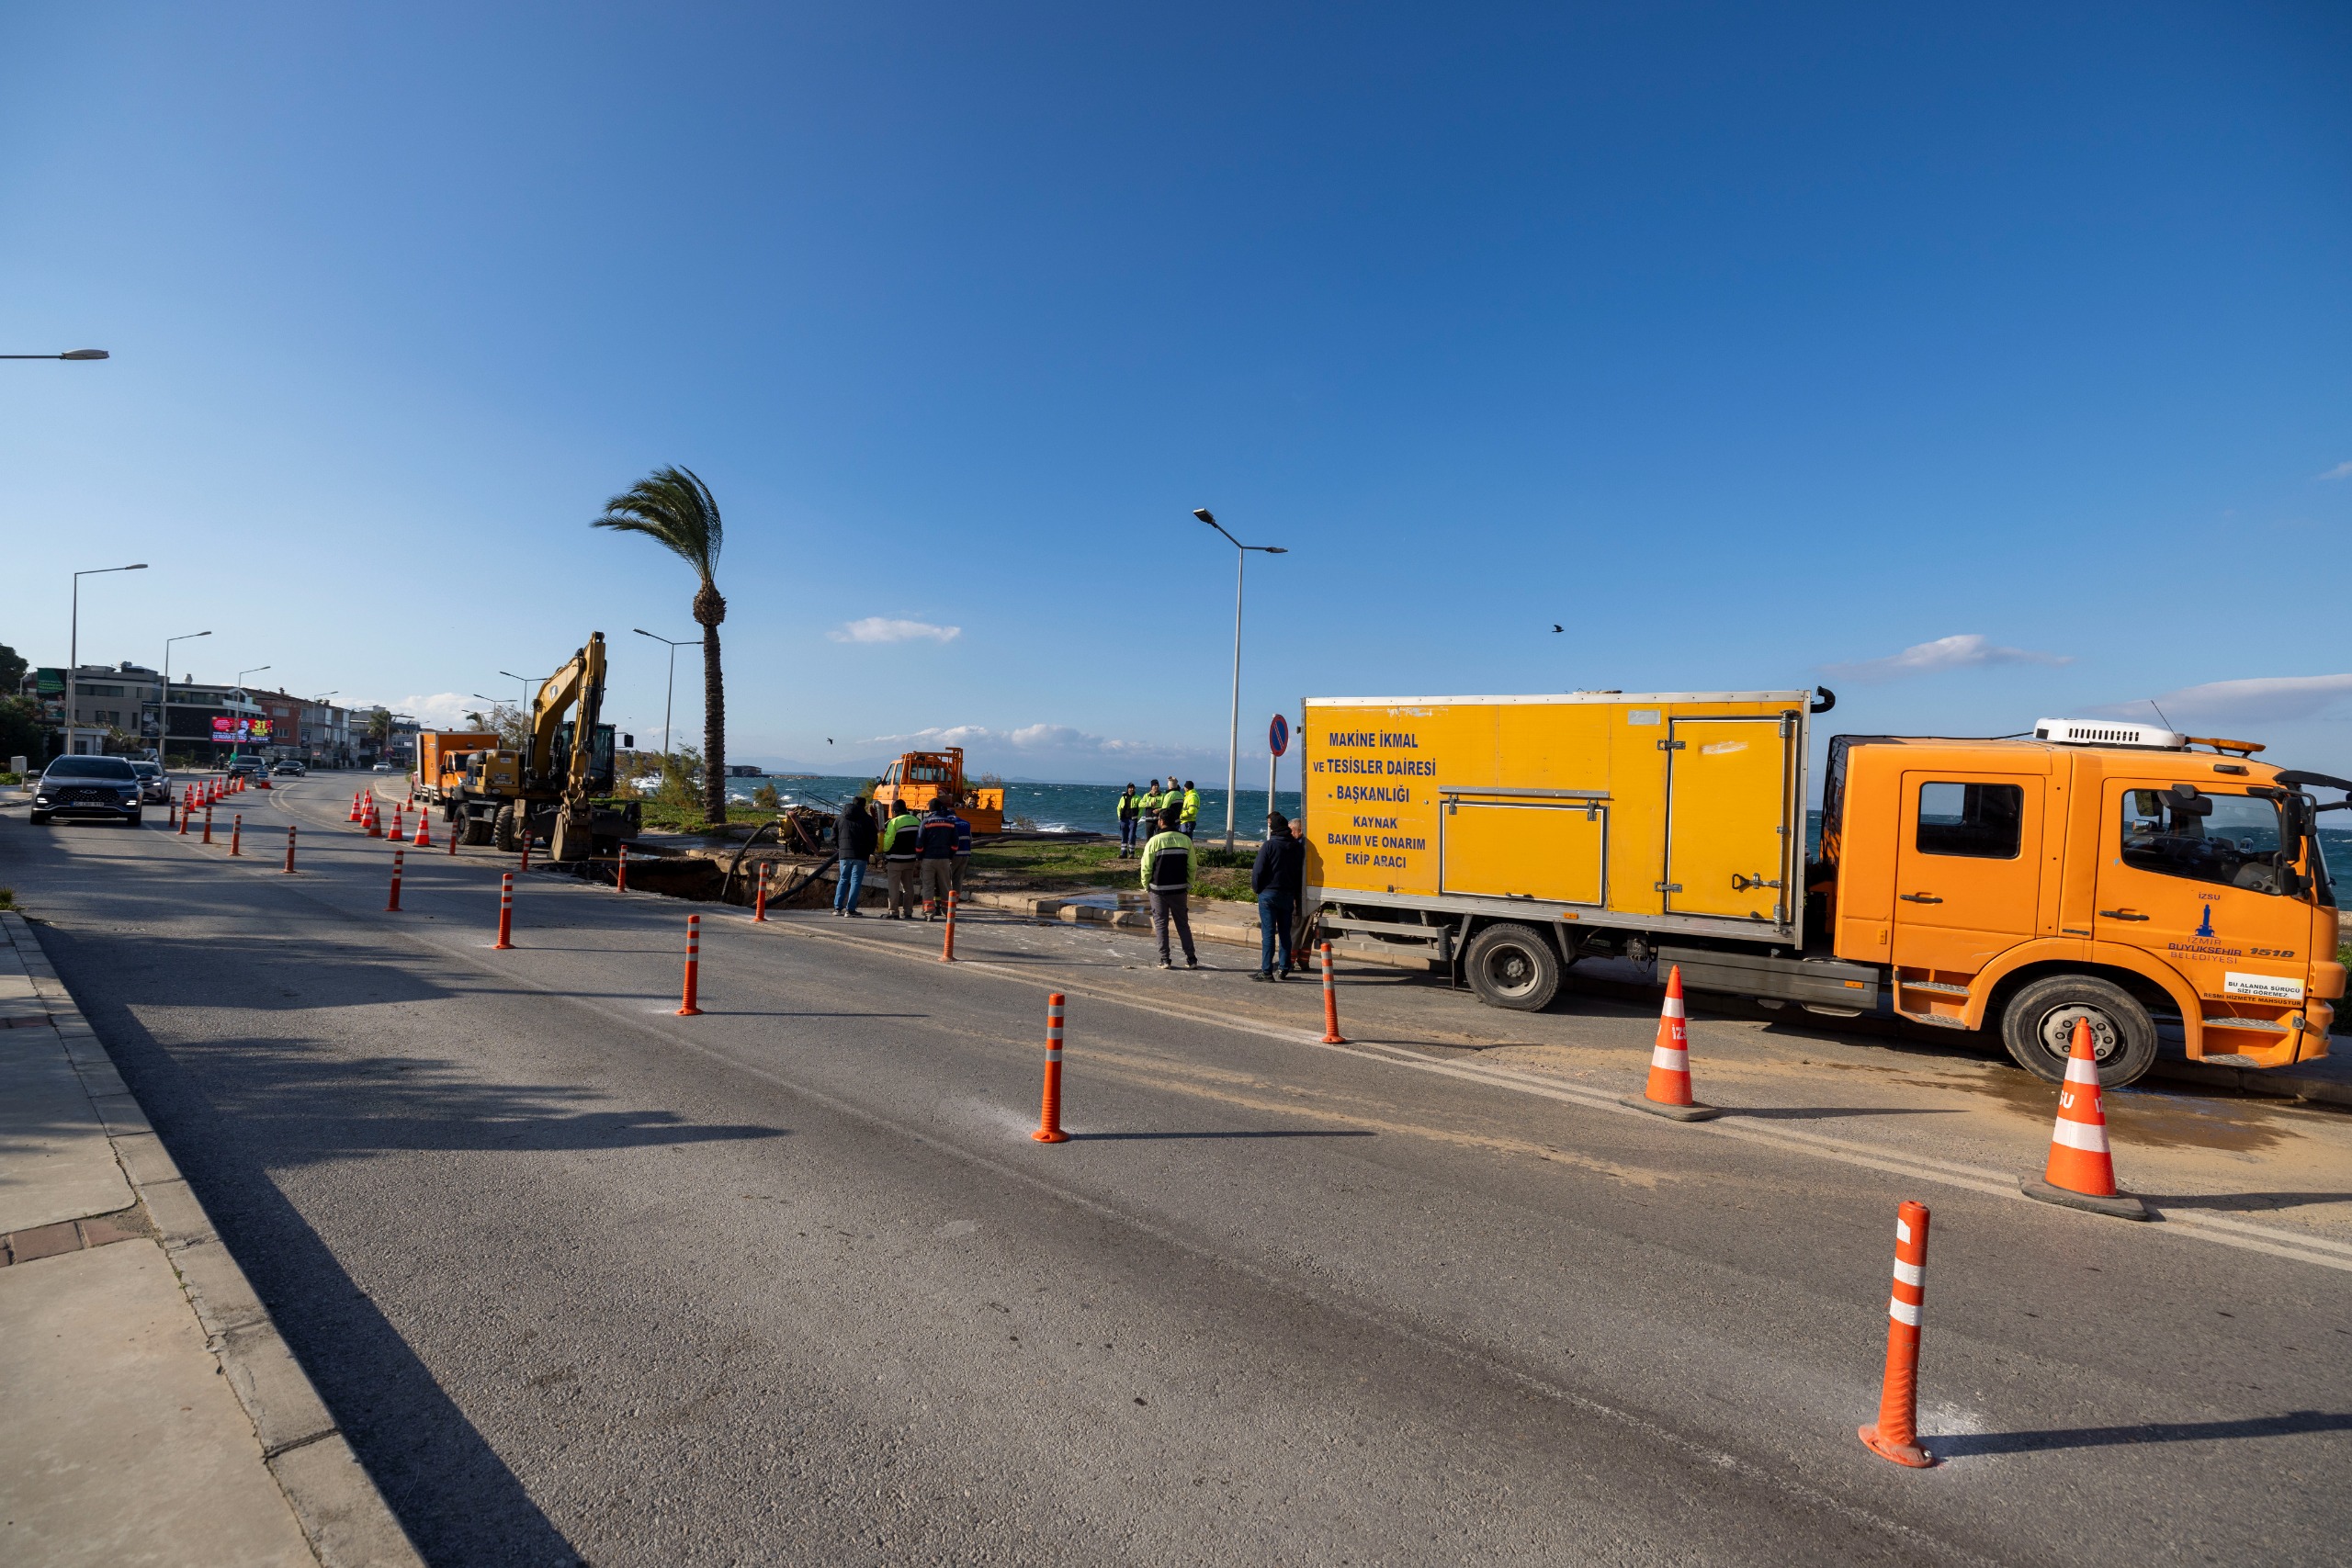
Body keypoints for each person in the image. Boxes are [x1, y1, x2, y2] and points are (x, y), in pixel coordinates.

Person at [1138, 806, 1198, 969]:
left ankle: (1165, 959)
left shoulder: (1154, 841)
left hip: (1158, 889)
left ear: (1161, 821)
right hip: (1179, 889)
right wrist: (1189, 884)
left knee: (1161, 924)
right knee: (1183, 924)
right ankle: (1191, 958)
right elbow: (1193, 865)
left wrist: (1146, 885)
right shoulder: (1185, 840)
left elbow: (1146, 867)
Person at [1250, 811, 1304, 979]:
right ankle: (1284, 968)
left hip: (1269, 894)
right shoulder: (1297, 847)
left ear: (1273, 829)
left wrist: (1257, 889)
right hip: (1288, 894)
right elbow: (1299, 873)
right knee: (1285, 933)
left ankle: (1266, 971)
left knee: (1268, 934)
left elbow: (1258, 871)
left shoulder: (1269, 845)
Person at [833, 793, 877, 917]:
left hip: (844, 854)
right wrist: (869, 851)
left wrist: (839, 847)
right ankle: (850, 909)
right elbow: (873, 838)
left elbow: (834, 834)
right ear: (863, 806)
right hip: (861, 855)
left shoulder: (841, 817)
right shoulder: (867, 819)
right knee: (856, 881)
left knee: (843, 879)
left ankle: (837, 908)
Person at [918, 796, 960, 919]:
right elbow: (955, 843)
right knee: (946, 886)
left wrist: (919, 857)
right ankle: (947, 911)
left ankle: (928, 913)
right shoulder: (950, 823)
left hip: (928, 859)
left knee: (928, 886)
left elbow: (919, 842)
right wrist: (950, 856)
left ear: (930, 809)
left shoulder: (926, 822)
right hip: (944, 859)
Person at [881, 799, 923, 919]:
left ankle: (894, 912)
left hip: (895, 860)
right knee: (908, 887)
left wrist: (884, 850)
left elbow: (888, 840)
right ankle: (908, 911)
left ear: (895, 811)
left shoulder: (894, 822)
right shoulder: (916, 821)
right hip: (910, 859)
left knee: (894, 887)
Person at [950, 795, 974, 898]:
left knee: (947, 877)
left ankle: (947, 902)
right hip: (966, 854)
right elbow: (971, 839)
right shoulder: (966, 823)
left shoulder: (950, 823)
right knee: (958, 878)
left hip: (954, 854)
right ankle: (955, 900)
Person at [1116, 784, 1140, 855]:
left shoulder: (1138, 798)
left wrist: (1138, 817)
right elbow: (1119, 808)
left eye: (1133, 788)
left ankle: (1131, 853)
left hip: (1133, 820)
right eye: (1130, 788)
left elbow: (1141, 808)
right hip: (1123, 819)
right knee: (1124, 836)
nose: (1132, 789)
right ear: (1128, 789)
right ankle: (1123, 852)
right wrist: (1119, 816)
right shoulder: (1123, 798)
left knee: (1132, 836)